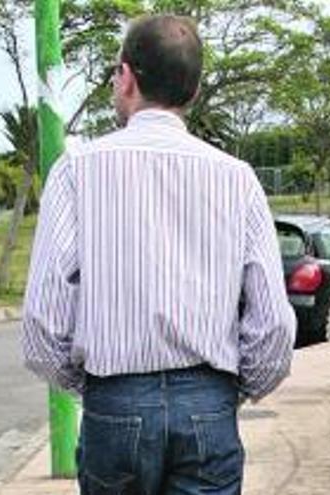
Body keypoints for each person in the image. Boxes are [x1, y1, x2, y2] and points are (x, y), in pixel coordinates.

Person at [21, 14, 296, 494]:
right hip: (208, 399)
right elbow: (273, 323)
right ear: (192, 90)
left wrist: (100, 387)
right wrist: (230, 389)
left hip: (115, 398)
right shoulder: (237, 178)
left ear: (126, 77)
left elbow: (43, 321)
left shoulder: (77, 171)